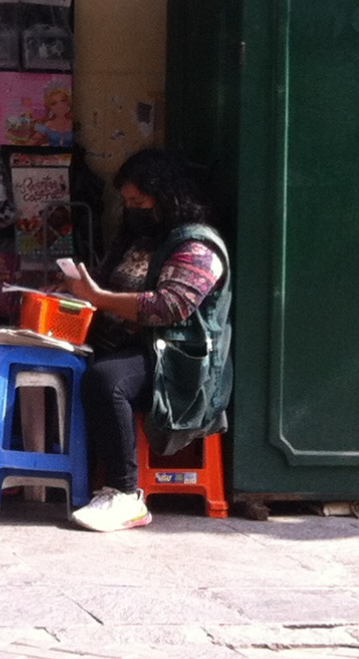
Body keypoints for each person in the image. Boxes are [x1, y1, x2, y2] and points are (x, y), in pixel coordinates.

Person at [62, 149, 229, 532]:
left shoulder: (197, 246)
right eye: (128, 202)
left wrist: (100, 299)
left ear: (166, 194)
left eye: (139, 201)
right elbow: (110, 290)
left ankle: (124, 495)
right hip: (130, 345)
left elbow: (170, 307)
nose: (133, 208)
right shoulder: (140, 238)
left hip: (176, 361)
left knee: (106, 380)